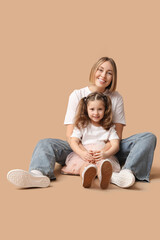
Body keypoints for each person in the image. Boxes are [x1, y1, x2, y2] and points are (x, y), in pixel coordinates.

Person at [7, 57, 157, 189]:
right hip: (79, 145)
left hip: (108, 145)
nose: (103, 75)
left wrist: (102, 153)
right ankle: (37, 175)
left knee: (148, 137)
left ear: (113, 77)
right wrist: (83, 152)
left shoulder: (116, 97)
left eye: (109, 72)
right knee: (45, 143)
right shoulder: (77, 94)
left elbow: (116, 135)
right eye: (100, 70)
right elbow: (70, 135)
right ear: (94, 71)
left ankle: (126, 174)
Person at [61, 92, 121, 189]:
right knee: (85, 166)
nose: (96, 113)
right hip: (85, 154)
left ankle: (103, 177)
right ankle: (86, 177)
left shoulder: (109, 127)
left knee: (102, 164)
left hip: (101, 154)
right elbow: (73, 141)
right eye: (92, 109)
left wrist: (106, 154)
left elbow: (115, 145)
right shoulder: (82, 125)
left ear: (105, 109)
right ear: (86, 109)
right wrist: (81, 153)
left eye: (100, 109)